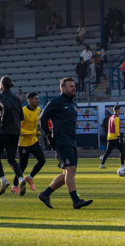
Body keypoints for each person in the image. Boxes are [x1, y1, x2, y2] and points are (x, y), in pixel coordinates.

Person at [37, 78, 92, 210]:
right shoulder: (56, 102)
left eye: (74, 86)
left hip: (71, 140)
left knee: (68, 172)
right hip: (61, 140)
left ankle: (45, 194)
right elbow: (42, 118)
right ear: (63, 88)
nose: (74, 88)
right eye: (71, 86)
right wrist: (48, 136)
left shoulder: (72, 104)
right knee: (70, 169)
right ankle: (75, 201)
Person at [0, 76, 26, 196]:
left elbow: (6, 108)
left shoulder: (0, 96)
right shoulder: (16, 97)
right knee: (11, 158)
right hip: (16, 130)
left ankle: (3, 180)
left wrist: (1, 124)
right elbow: (21, 116)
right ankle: (21, 179)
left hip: (5, 130)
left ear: (2, 85)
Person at [13, 92, 45, 194]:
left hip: (33, 142)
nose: (38, 100)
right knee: (22, 166)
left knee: (42, 160)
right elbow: (19, 130)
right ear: (29, 100)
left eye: (38, 98)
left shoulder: (38, 110)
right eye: (36, 99)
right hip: (23, 144)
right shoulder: (23, 112)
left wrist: (37, 132)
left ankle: (30, 177)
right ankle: (14, 186)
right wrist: (33, 133)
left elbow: (35, 125)